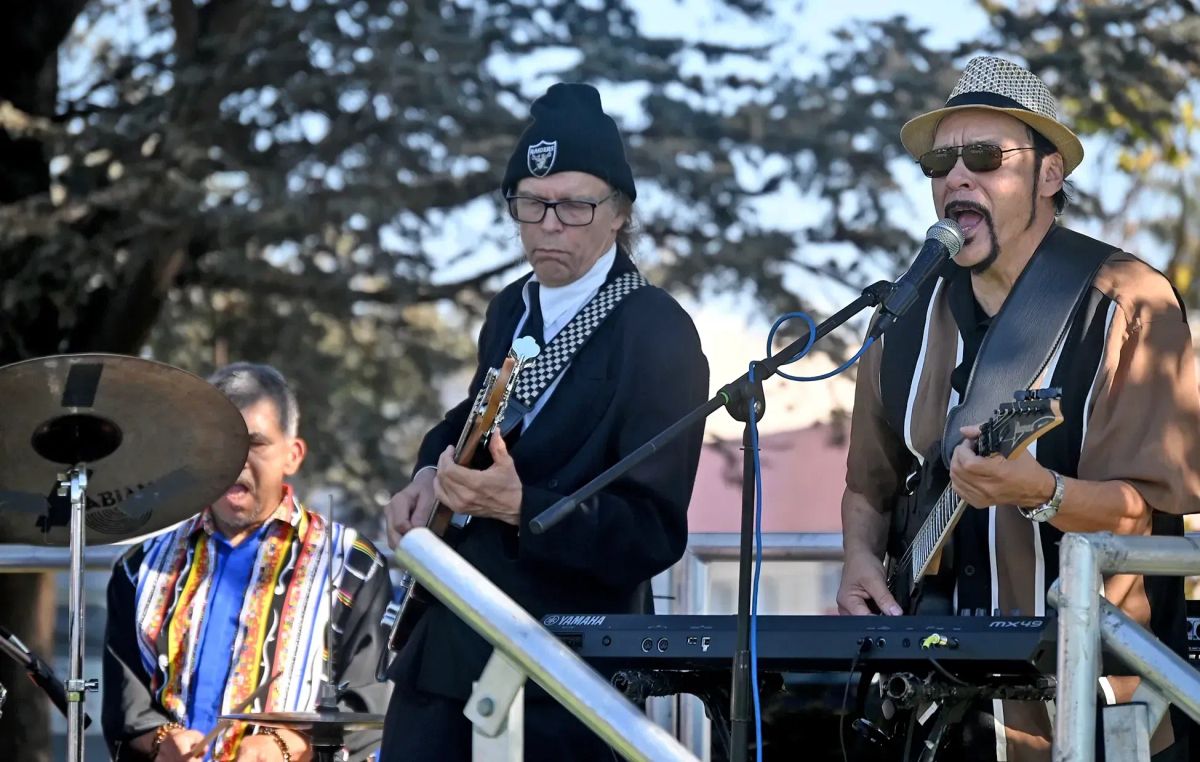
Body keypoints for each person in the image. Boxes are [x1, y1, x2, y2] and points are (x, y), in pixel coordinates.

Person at [836, 55, 1200, 761]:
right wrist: (858, 559)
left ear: (1050, 174)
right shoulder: (902, 319)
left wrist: (1042, 493)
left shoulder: (1128, 303)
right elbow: (866, 488)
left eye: (984, 156)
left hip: (1097, 709)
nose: (957, 176)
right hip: (938, 710)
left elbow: (1148, 513)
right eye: (942, 161)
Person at [379, 82, 709, 761]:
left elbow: (651, 531)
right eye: (532, 203)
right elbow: (474, 415)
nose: (549, 224)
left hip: (565, 670)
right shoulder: (511, 308)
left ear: (619, 213)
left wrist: (521, 506)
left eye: (575, 205)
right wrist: (426, 475)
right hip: (449, 642)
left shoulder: (656, 332)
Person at [103, 363, 393, 762]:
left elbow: (370, 707)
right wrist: (162, 739)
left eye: (255, 443)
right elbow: (126, 708)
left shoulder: (351, 565)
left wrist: (285, 745)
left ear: (292, 455)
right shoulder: (139, 569)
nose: (236, 459)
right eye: (219, 442)